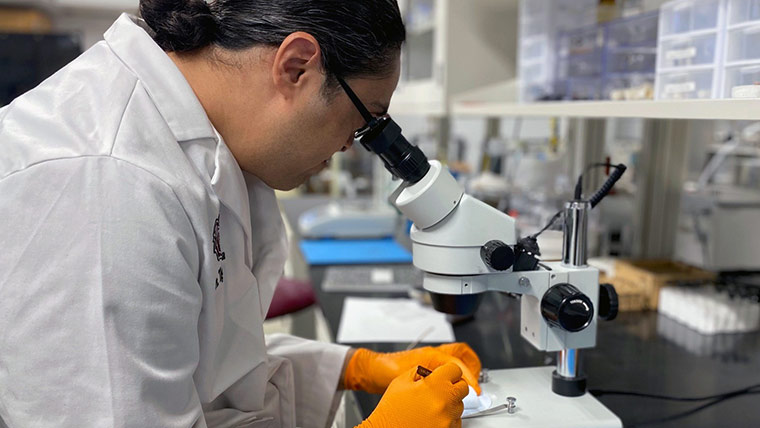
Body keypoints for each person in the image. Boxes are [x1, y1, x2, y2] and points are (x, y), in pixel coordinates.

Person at [0, 1, 483, 427]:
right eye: (364, 119)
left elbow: (201, 367)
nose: (348, 144)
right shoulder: (106, 183)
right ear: (296, 67)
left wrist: (356, 367)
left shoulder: (201, 148)